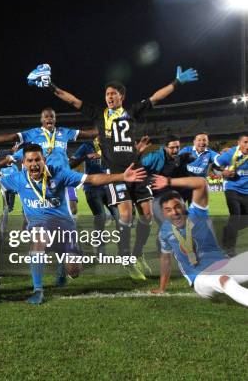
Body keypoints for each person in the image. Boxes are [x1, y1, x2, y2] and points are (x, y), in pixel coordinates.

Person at [35, 63, 198, 279]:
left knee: (147, 216)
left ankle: (137, 254)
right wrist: (51, 86)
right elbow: (71, 99)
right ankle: (125, 257)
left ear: (121, 96)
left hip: (136, 170)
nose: (109, 97)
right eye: (107, 94)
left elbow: (155, 98)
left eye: (113, 93)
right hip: (116, 172)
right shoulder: (97, 114)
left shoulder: (131, 113)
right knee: (126, 214)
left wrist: (176, 83)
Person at [0, 144, 147, 304]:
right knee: (38, 237)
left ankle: (64, 264)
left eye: (38, 160)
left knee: (73, 272)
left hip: (64, 228)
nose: (34, 164)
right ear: (23, 163)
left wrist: (122, 176)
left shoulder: (59, 173)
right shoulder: (16, 179)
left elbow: (92, 178)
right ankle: (38, 290)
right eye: (30, 161)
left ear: (44, 160)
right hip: (39, 227)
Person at [0, 108, 97, 215]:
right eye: (46, 116)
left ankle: (63, 233)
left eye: (52, 116)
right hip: (41, 179)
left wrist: (107, 129)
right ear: (41, 120)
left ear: (55, 119)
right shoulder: (33, 136)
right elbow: (13, 138)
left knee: (73, 209)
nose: (49, 118)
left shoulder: (64, 132)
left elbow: (88, 134)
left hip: (63, 176)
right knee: (38, 212)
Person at [151, 174, 248, 307]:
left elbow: (201, 183)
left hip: (225, 265)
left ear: (184, 206)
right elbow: (166, 260)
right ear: (164, 213)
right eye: (168, 210)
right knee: (224, 280)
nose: (174, 212)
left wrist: (169, 181)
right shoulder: (164, 232)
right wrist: (162, 288)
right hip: (201, 278)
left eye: (177, 206)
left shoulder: (197, 214)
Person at [141, 135, 194, 269]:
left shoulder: (177, 159)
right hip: (156, 196)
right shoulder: (154, 156)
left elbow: (182, 176)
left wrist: (184, 160)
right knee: (166, 225)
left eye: (177, 147)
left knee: (186, 223)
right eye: (172, 147)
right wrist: (148, 183)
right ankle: (163, 253)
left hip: (172, 195)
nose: (176, 150)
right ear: (165, 147)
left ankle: (189, 254)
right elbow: (139, 168)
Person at [70, 138, 120, 254]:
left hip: (109, 186)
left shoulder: (111, 144)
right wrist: (85, 157)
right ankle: (100, 249)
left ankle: (123, 250)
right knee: (100, 217)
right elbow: (71, 163)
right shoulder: (86, 146)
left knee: (120, 217)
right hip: (92, 187)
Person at [214, 133, 248, 256]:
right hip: (232, 189)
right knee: (235, 217)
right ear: (239, 143)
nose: (247, 145)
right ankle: (229, 250)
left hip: (246, 192)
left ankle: (226, 231)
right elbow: (214, 166)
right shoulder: (230, 154)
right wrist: (223, 172)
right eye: (245, 142)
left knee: (244, 221)